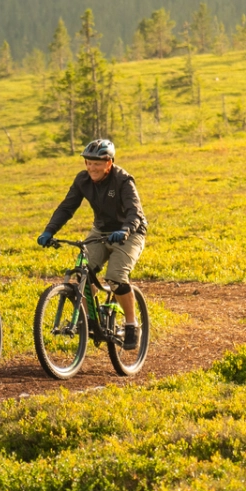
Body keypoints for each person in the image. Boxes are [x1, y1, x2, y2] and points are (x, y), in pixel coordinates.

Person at [37, 138, 147, 348]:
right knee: (82, 273)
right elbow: (66, 208)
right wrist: (49, 231)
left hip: (130, 232)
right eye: (88, 163)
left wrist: (125, 230)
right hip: (101, 231)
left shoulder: (123, 180)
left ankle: (132, 324)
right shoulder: (83, 180)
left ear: (109, 163)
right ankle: (90, 320)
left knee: (116, 277)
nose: (92, 168)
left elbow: (135, 213)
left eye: (97, 163)